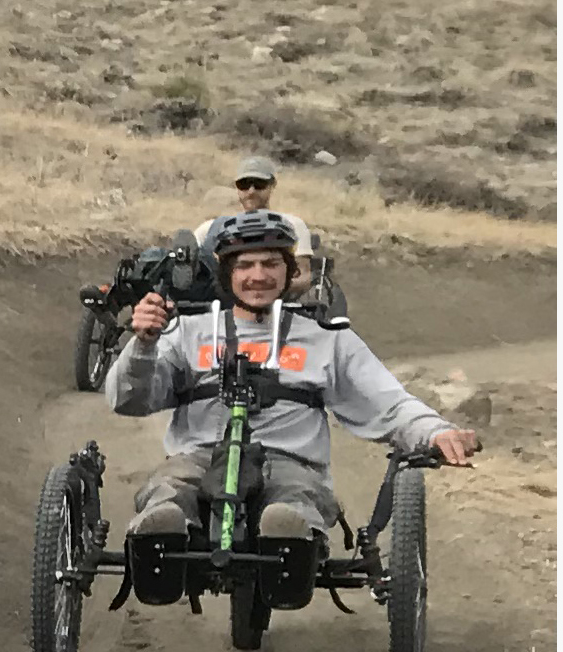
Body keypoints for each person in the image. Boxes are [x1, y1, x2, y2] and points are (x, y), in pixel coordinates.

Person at [109, 208, 474, 544]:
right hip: (200, 456)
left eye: (271, 263)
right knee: (170, 488)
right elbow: (128, 400)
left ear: (289, 271)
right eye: (245, 265)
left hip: (288, 462)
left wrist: (435, 431)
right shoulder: (188, 331)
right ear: (227, 273)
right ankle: (163, 537)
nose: (258, 276)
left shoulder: (327, 338)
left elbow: (387, 402)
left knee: (294, 500)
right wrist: (143, 345)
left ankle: (289, 538)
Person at [192, 153, 335, 312]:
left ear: (272, 185)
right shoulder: (210, 229)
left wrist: (264, 288)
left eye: (259, 184)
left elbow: (304, 278)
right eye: (244, 185)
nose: (251, 191)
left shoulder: (292, 225)